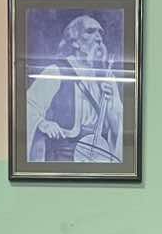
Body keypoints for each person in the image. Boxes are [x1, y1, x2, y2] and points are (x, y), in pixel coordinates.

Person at [24, 15, 123, 164]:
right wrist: (44, 124)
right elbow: (27, 107)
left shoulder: (107, 77)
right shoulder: (55, 72)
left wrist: (109, 106)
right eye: (90, 31)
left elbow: (118, 131)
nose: (99, 38)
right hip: (63, 158)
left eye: (100, 33)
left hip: (98, 157)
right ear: (75, 41)